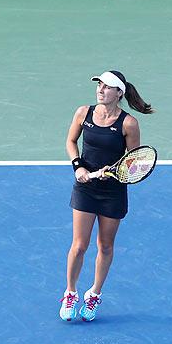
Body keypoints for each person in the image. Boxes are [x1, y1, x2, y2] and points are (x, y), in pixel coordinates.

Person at [60, 70, 153, 322]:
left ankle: (94, 294)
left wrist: (112, 173)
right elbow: (71, 141)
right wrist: (78, 165)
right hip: (85, 188)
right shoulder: (83, 112)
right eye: (99, 85)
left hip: (112, 191)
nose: (100, 90)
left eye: (107, 87)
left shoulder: (128, 123)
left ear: (119, 93)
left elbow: (134, 162)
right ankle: (70, 292)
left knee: (106, 245)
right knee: (79, 246)